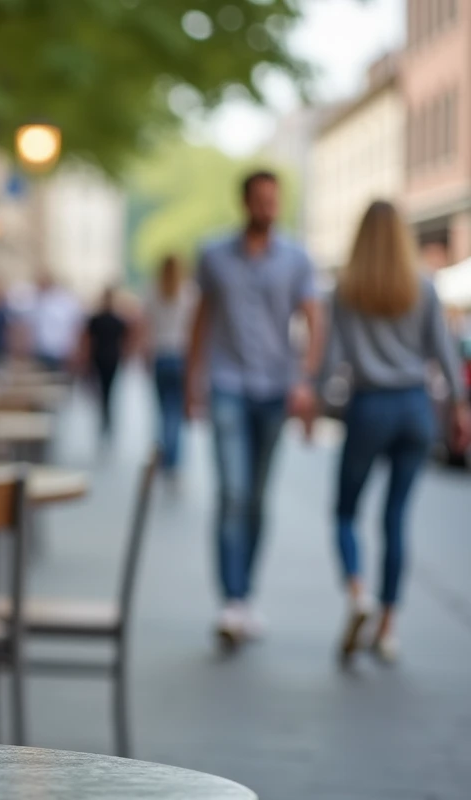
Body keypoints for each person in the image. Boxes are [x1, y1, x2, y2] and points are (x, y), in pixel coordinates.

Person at [316, 200, 471, 666]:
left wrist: (314, 404)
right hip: (414, 407)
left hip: (368, 406)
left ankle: (358, 593)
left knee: (345, 511)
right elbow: (444, 353)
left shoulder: (346, 290)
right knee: (395, 518)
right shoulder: (421, 286)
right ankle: (387, 627)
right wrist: (461, 408)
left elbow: (330, 361)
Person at [185, 170, 324, 649]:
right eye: (260, 200)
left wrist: (306, 380)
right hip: (226, 383)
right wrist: (192, 381)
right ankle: (232, 600)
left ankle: (247, 593)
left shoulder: (297, 258)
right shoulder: (213, 255)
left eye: (273, 200)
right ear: (244, 203)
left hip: (275, 389)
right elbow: (200, 317)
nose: (268, 208)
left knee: (259, 499)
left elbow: (313, 318)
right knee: (232, 493)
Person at [144, 255, 198, 475]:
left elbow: (145, 326)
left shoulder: (152, 291)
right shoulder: (189, 291)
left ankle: (164, 456)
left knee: (163, 411)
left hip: (160, 356)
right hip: (181, 357)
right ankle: (172, 460)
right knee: (176, 411)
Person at [83, 286, 131, 436]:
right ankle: (107, 420)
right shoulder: (117, 320)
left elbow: (88, 341)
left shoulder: (96, 320)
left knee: (103, 391)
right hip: (112, 358)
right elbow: (126, 340)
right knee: (109, 390)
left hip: (99, 358)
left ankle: (105, 420)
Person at [28, 273, 82, 372]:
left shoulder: (66, 301)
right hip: (44, 349)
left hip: (61, 351)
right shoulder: (41, 300)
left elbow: (75, 326)